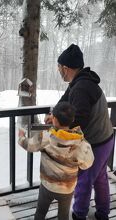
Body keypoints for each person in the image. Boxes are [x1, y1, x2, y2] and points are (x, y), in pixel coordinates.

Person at [45, 44, 114, 220]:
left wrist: (57, 127)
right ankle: (103, 214)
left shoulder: (81, 88)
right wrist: (54, 114)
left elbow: (78, 120)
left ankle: (79, 215)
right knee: (100, 178)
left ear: (66, 68)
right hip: (106, 139)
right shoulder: (80, 81)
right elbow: (65, 100)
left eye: (59, 67)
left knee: (84, 181)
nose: (58, 70)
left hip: (96, 143)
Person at [18, 102, 94, 220]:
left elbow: (29, 145)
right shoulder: (80, 144)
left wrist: (21, 137)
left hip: (48, 185)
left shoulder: (46, 137)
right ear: (73, 119)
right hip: (67, 188)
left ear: (53, 119)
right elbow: (87, 164)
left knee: (41, 212)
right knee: (63, 216)